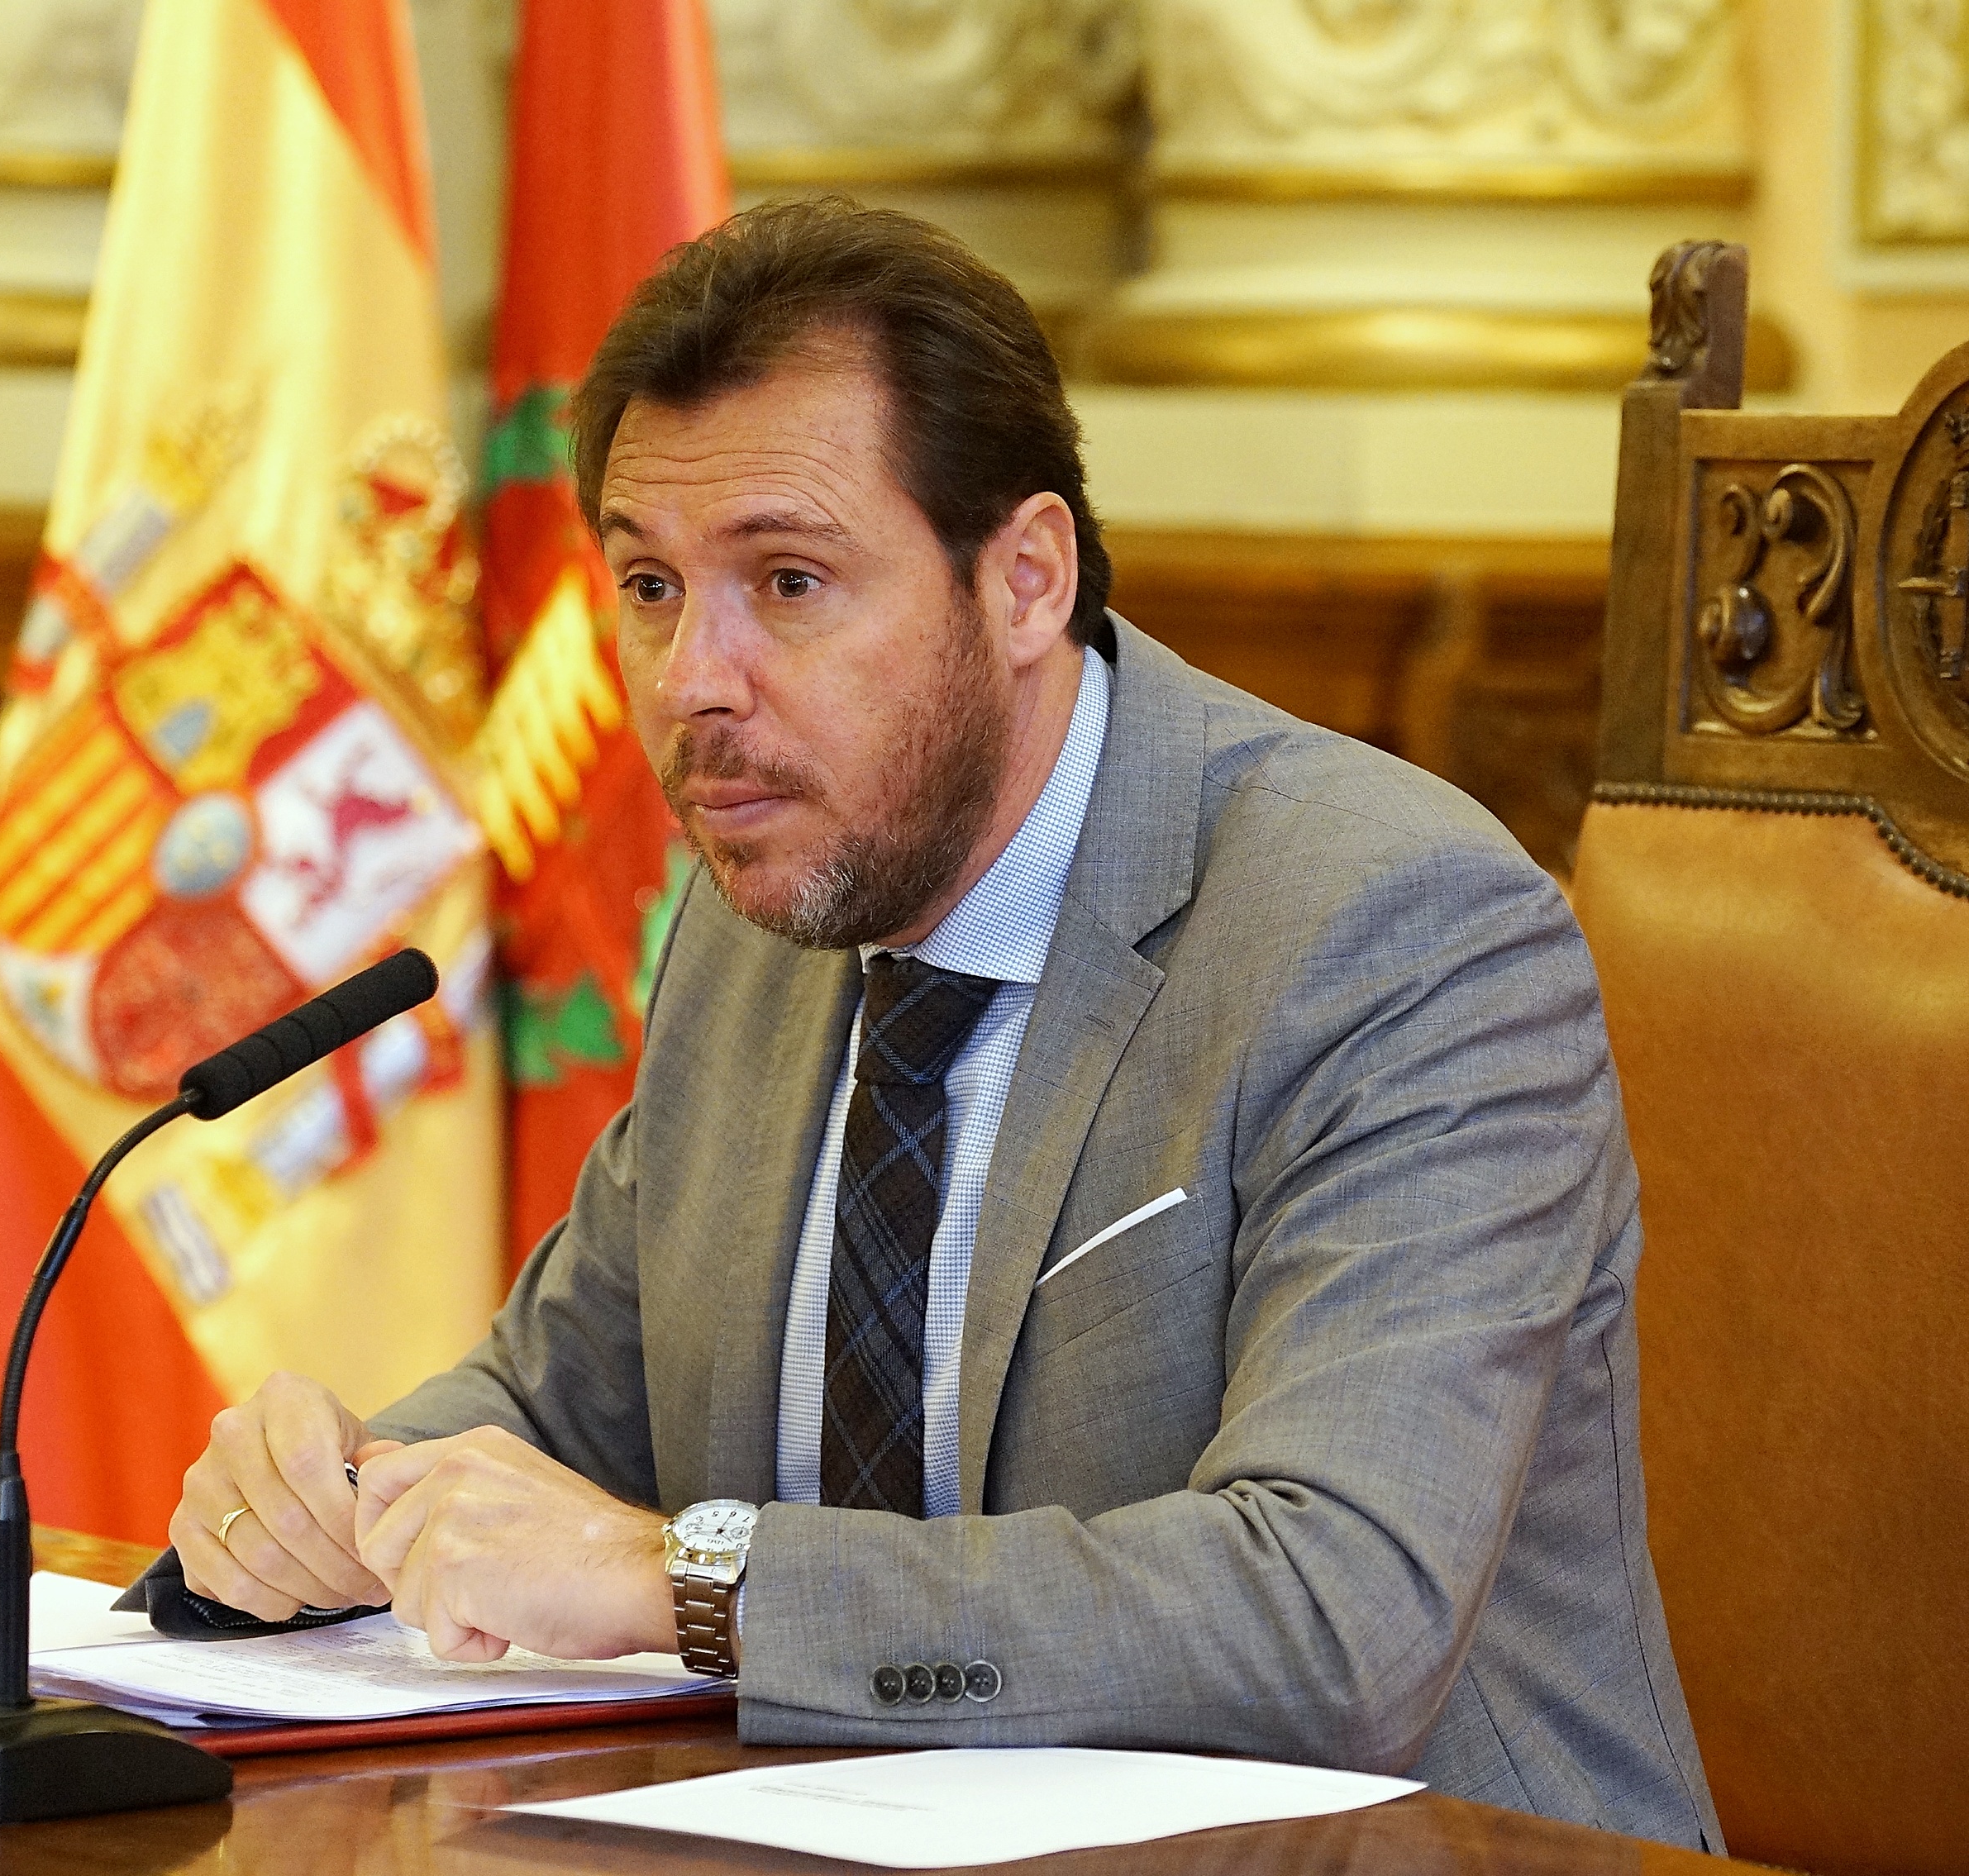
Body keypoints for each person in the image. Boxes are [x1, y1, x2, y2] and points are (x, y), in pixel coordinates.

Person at [152, 198, 1719, 1849]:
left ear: (1026, 578)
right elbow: (557, 1406)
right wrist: (333, 1496)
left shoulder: (1390, 929)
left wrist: (682, 1581)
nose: (691, 680)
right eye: (650, 585)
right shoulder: (765, 909)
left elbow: (1329, 1618)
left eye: (789, 580)